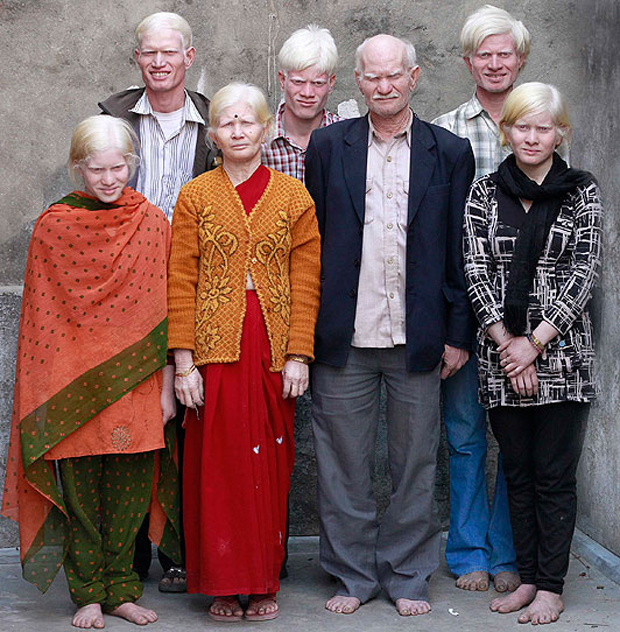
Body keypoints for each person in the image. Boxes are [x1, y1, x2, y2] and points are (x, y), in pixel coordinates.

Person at [305, 34, 475, 617]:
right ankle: (351, 576)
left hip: (418, 335)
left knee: (415, 465)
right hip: (343, 336)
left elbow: (459, 249)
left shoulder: (448, 151)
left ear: (414, 77)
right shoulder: (328, 147)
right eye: (373, 76)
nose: (384, 86)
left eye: (394, 75)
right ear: (358, 81)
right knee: (341, 465)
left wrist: (457, 334)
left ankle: (407, 575)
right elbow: (312, 244)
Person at [1, 115, 176, 629]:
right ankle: (87, 595)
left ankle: (122, 590)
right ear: (78, 167)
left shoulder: (152, 223)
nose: (108, 179)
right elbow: (41, 316)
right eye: (97, 169)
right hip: (71, 385)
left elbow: (167, 309)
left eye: (118, 167)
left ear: (132, 164)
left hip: (137, 382)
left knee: (129, 494)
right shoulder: (53, 226)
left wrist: (168, 384)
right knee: (81, 497)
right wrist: (43, 390)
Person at [167, 82, 321, 622]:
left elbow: (306, 280)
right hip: (213, 352)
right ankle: (222, 582)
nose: (237, 130)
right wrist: (183, 363)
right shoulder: (195, 196)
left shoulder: (293, 197)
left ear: (265, 129)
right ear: (213, 135)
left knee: (269, 461)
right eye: (227, 122)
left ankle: (261, 580)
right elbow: (180, 280)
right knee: (217, 465)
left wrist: (299, 353)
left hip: (272, 347)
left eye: (247, 121)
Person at [463, 82, 602, 625]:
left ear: (559, 134)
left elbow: (583, 272)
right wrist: (508, 345)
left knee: (553, 476)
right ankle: (526, 578)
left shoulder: (581, 191)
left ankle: (551, 587)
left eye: (543, 128)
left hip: (561, 358)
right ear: (507, 131)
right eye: (522, 126)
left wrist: (534, 343)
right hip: (501, 358)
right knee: (516, 474)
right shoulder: (483, 192)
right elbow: (475, 269)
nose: (532, 137)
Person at [99, 11, 217, 592]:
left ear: (189, 57)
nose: (159, 62)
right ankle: (130, 552)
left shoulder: (215, 122)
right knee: (133, 417)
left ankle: (183, 550)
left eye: (170, 52)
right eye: (149, 52)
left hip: (197, 285)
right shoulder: (114, 119)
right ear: (137, 58)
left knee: (189, 422)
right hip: (127, 291)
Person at [431, 4, 531, 593]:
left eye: (504, 53)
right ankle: (468, 547)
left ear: (520, 59)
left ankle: (507, 550)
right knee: (465, 434)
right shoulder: (444, 131)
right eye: (483, 54)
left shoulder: (537, 119)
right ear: (468, 62)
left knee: (515, 439)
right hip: (465, 308)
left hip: (524, 314)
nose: (495, 64)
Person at [262, 24, 341, 183]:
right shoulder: (258, 140)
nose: (307, 93)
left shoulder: (346, 138)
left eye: (318, 83)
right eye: (298, 82)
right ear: (282, 80)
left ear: (331, 83)